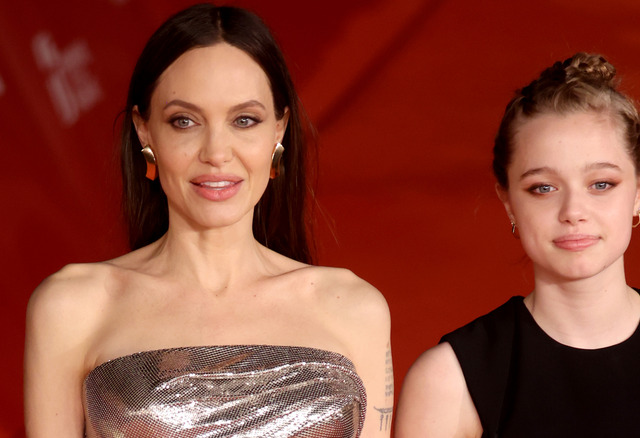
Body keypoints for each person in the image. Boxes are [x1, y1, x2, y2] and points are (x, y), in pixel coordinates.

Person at [24, 4, 392, 437]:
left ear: (279, 130)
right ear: (145, 131)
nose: (216, 153)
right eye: (184, 121)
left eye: (244, 120)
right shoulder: (72, 307)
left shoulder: (353, 309)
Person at [395, 53, 640, 437]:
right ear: (508, 201)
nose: (573, 212)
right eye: (543, 188)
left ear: (639, 191)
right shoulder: (448, 380)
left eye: (601, 184)